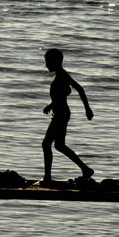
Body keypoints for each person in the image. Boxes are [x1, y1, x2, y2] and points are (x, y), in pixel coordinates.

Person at [41, 48, 94, 183]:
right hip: (60, 113)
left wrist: (87, 109)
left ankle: (47, 178)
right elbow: (60, 95)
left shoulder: (62, 75)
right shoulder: (57, 75)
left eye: (48, 62)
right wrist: (51, 105)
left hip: (62, 114)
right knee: (59, 145)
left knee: (46, 144)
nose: (46, 65)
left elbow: (80, 89)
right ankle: (85, 169)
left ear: (56, 62)